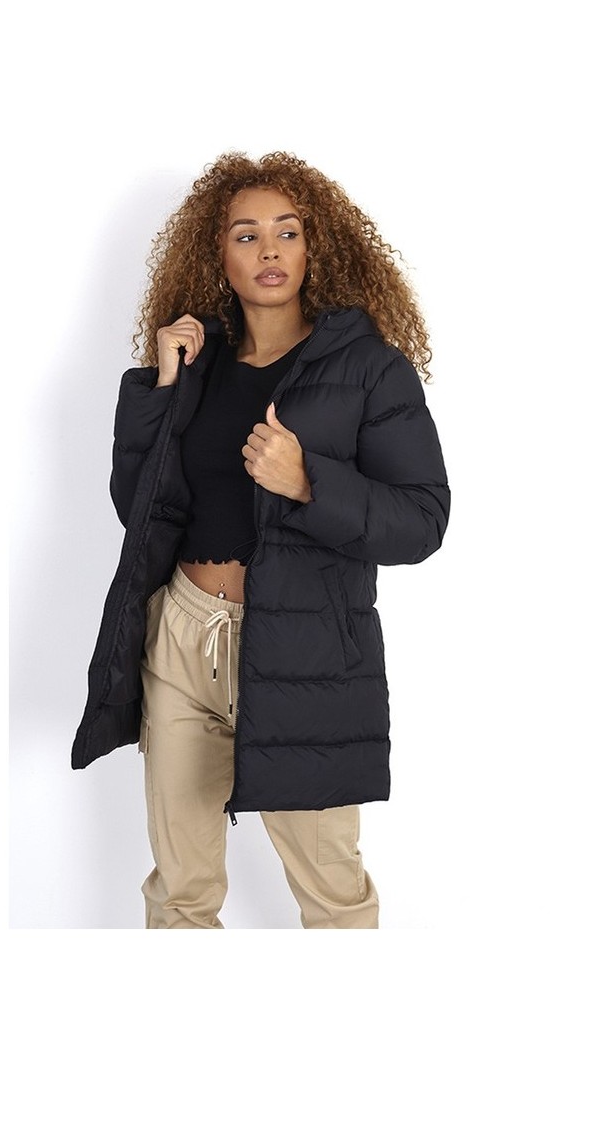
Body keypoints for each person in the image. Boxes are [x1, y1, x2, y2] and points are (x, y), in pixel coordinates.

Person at [72, 151, 450, 928]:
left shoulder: (369, 370)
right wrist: (164, 386)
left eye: (287, 232)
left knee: (332, 892)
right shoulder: (198, 367)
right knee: (181, 889)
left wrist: (310, 482)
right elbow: (135, 507)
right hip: (183, 635)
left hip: (303, 648)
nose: (268, 250)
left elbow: (422, 520)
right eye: (246, 235)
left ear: (316, 247)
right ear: (216, 254)